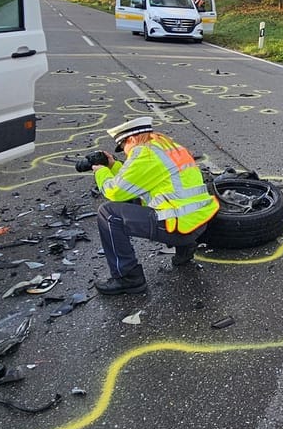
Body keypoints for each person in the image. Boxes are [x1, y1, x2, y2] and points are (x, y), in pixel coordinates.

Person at [88, 116, 220, 295]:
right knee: (142, 199)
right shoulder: (169, 147)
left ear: (132, 139)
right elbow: (137, 183)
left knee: (108, 214)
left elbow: (115, 192)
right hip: (197, 223)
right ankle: (185, 249)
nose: (126, 152)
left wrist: (101, 171)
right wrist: (113, 166)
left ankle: (128, 278)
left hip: (178, 228)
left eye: (124, 147)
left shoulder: (144, 153)